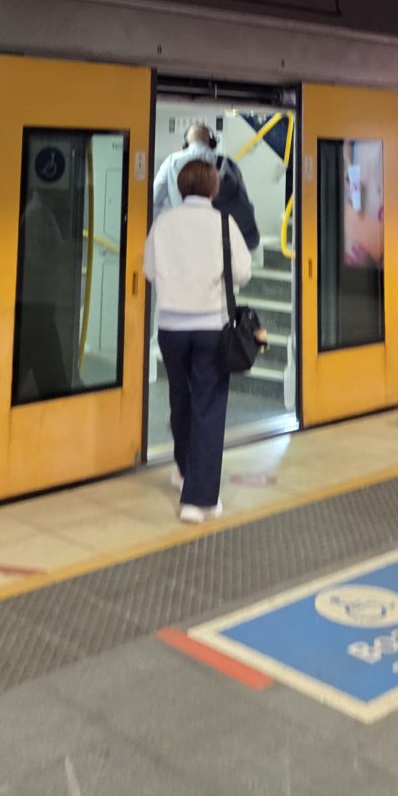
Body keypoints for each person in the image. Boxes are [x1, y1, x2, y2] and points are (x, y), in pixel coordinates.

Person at [143, 159, 252, 523]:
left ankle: (183, 469)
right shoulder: (223, 223)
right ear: (213, 188)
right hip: (210, 328)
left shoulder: (163, 223)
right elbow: (243, 273)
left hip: (171, 328)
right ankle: (199, 500)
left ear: (180, 187)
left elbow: (149, 270)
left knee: (181, 398)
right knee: (208, 407)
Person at [152, 122, 261, 250]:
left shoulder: (171, 162)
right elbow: (244, 201)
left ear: (186, 144)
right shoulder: (227, 164)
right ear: (212, 142)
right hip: (220, 244)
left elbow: (154, 202)